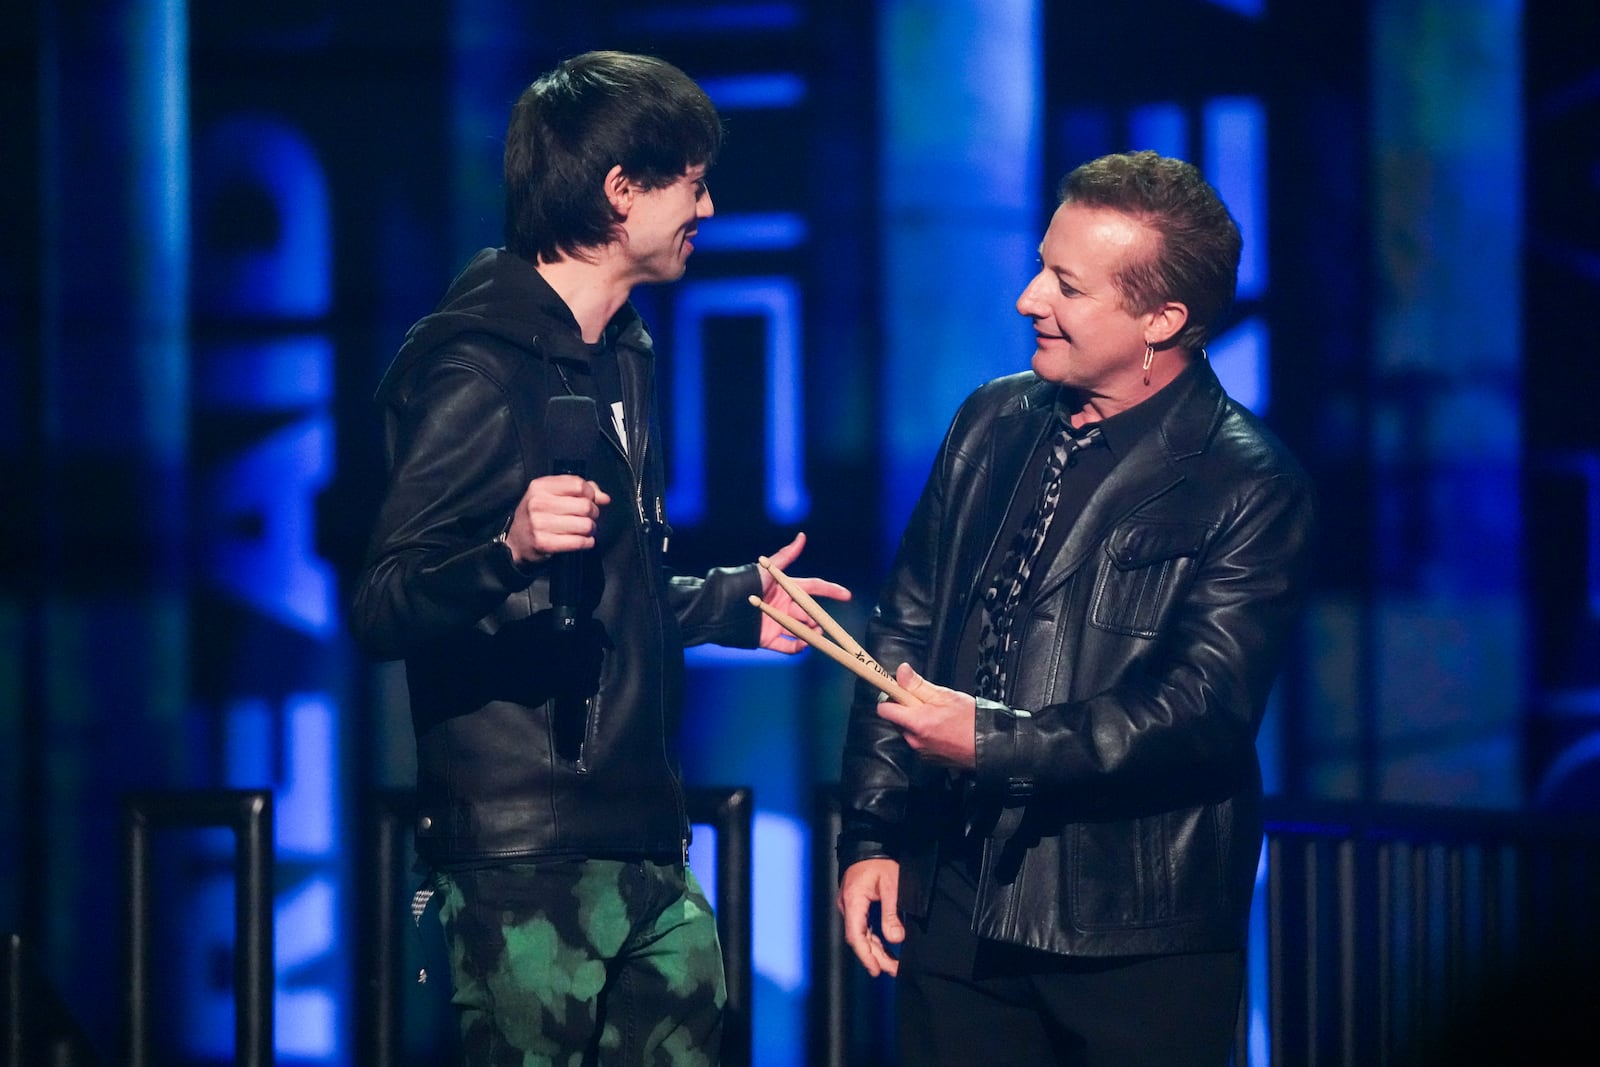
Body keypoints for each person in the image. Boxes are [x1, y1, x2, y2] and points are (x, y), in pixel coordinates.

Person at [350, 50, 849, 1066]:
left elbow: (609, 586)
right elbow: (383, 603)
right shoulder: (472, 365)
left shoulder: (625, 347)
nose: (708, 205)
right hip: (520, 857)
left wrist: (728, 602)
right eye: (693, 181)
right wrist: (505, 545)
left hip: (644, 842)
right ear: (620, 193)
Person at [834, 150, 1317, 1067]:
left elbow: (1200, 708)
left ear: (1162, 320)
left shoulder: (1250, 484)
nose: (1027, 297)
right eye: (1040, 265)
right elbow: (903, 626)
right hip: (957, 907)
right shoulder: (991, 420)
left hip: (1133, 929)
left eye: (1065, 284)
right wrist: (874, 829)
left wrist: (990, 741)